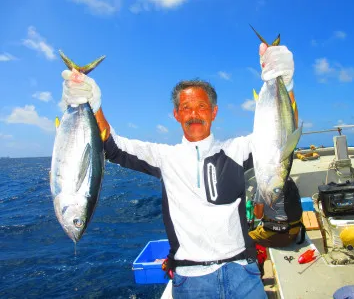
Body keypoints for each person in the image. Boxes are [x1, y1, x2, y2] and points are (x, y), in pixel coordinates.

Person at [61, 41, 295, 299]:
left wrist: (283, 82)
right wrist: (92, 104)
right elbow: (113, 147)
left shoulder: (239, 149)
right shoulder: (165, 157)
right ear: (176, 114)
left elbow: (280, 139)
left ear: (214, 112)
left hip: (242, 273)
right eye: (186, 108)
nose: (194, 114)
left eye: (202, 107)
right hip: (192, 281)